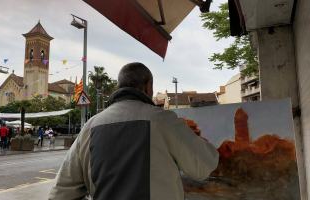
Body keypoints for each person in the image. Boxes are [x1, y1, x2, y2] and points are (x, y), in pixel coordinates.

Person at [49, 63, 219, 200]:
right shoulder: (164, 121)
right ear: (148, 86)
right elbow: (203, 167)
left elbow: (61, 192)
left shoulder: (90, 127)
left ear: (118, 87)